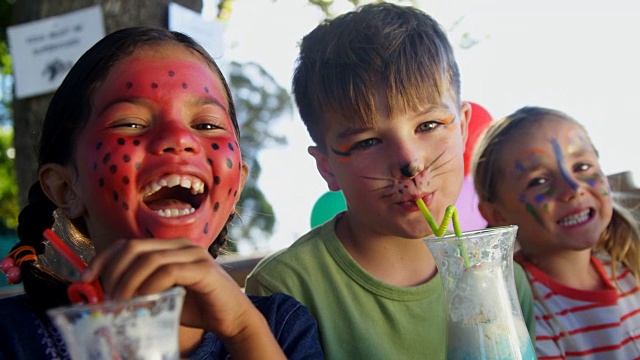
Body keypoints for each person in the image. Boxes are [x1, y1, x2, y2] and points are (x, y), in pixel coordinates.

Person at [0, 26, 323, 360]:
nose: (179, 139)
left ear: (236, 184)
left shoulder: (280, 327)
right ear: (66, 188)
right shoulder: (13, 338)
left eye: (207, 125)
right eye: (130, 123)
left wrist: (244, 331)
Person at [245, 3, 535, 359]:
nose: (409, 162)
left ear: (462, 129)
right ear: (327, 168)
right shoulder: (284, 292)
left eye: (428, 125)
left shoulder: (501, 283)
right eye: (367, 142)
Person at [472, 106, 640, 359]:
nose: (573, 188)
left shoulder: (629, 269)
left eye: (582, 166)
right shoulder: (517, 309)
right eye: (539, 181)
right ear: (498, 215)